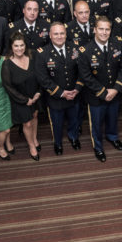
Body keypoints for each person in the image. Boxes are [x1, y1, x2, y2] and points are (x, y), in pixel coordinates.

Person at [77, 16, 122, 162]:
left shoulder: (117, 44)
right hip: (96, 96)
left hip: (115, 93)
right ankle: (98, 147)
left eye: (107, 29)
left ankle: (112, 137)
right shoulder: (86, 50)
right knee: (97, 123)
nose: (104, 32)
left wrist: (116, 88)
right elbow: (86, 76)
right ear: (94, 30)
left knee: (113, 118)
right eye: (101, 29)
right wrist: (103, 92)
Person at [36, 23, 82, 155]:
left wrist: (77, 89)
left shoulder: (75, 48)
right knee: (57, 123)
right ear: (50, 35)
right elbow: (43, 79)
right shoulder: (42, 53)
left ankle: (73, 137)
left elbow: (82, 71)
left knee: (74, 119)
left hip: (74, 94)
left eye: (62, 33)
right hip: (55, 97)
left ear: (66, 34)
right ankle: (58, 143)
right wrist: (61, 93)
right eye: (56, 34)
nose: (59, 36)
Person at [2, 32, 42, 161]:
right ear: (11, 47)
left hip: (35, 95)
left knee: (35, 116)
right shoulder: (7, 64)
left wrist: (38, 92)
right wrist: (25, 100)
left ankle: (34, 139)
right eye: (16, 46)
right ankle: (31, 146)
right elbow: (8, 87)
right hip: (20, 99)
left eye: (22, 45)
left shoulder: (33, 56)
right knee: (28, 123)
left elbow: (41, 75)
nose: (19, 48)